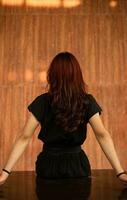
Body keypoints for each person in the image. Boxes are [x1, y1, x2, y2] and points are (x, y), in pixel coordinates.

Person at [0, 51, 127, 186]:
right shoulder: (87, 101)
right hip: (77, 165)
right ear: (77, 76)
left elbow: (24, 136)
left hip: (48, 166)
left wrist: (5, 173)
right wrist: (120, 172)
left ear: (52, 75)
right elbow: (102, 135)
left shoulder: (42, 102)